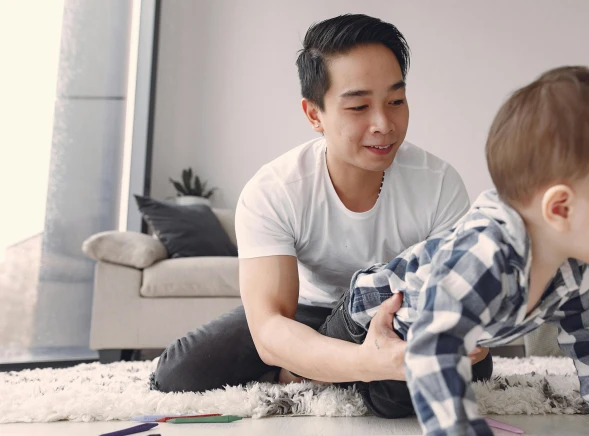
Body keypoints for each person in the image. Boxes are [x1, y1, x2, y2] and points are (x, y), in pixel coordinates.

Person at [316, 66, 589, 436]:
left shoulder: (571, 272)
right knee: (322, 377)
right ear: (562, 207)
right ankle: (287, 367)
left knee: (396, 400)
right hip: (369, 314)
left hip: (423, 340)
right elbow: (435, 350)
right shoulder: (485, 257)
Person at [150, 14, 491, 398]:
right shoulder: (275, 189)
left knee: (467, 367)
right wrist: (372, 363)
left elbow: (460, 301)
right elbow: (270, 329)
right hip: (309, 314)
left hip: (399, 311)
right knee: (180, 374)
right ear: (315, 114)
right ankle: (327, 369)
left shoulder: (439, 183)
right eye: (359, 107)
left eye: (396, 101)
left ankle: (307, 372)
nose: (384, 123)